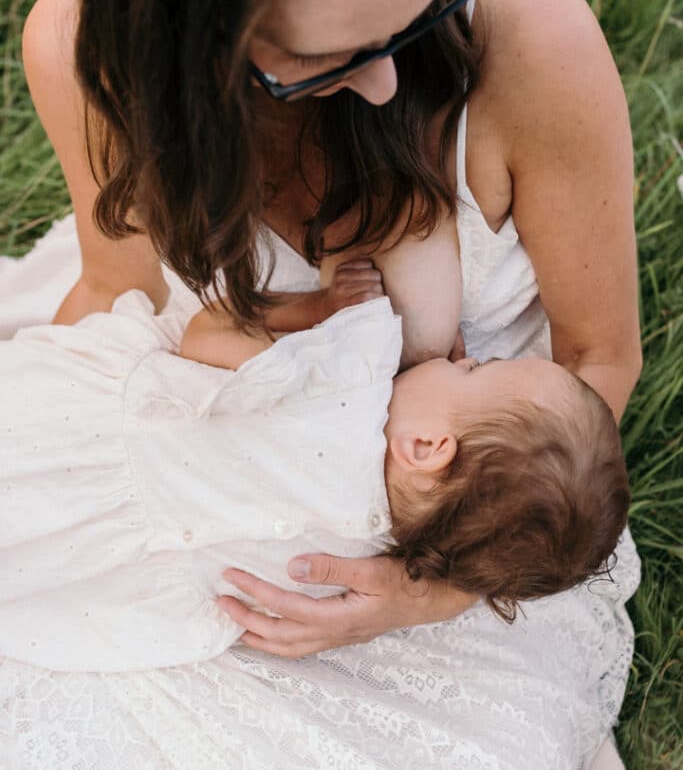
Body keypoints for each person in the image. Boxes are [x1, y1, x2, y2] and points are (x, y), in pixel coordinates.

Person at [1, 0, 678, 770]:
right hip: (216, 443)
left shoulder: (523, 34)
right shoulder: (84, 43)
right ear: (188, 16)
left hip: (468, 512)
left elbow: (597, 356)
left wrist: (420, 586)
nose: (385, 78)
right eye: (323, 56)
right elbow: (118, 297)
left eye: (415, 15)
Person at [0, 265, 630, 674]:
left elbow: (208, 336)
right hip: (88, 560)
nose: (465, 356)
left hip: (67, 429)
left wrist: (319, 308)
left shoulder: (348, 383)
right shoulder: (359, 563)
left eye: (477, 371)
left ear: (428, 446)